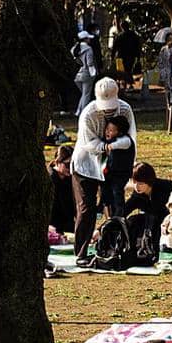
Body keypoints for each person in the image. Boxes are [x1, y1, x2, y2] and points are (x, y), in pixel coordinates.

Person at [70, 78, 137, 265]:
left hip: (113, 167)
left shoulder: (124, 109)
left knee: (114, 206)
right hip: (86, 165)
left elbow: (132, 138)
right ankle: (81, 253)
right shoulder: (88, 114)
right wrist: (108, 147)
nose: (108, 110)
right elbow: (88, 144)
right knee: (87, 208)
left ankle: (114, 248)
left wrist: (129, 164)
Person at [125, 162, 172, 239]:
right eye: (134, 182)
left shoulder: (165, 188)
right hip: (152, 220)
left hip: (169, 221)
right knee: (133, 221)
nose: (136, 186)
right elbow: (127, 207)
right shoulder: (138, 194)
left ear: (149, 181)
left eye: (140, 183)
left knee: (152, 221)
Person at [101, 114, 135, 217]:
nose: (107, 132)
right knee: (105, 192)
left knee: (117, 193)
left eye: (111, 130)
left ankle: (119, 215)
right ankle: (107, 212)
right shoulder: (107, 141)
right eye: (107, 129)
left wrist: (111, 146)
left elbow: (122, 143)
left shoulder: (126, 140)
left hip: (121, 174)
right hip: (110, 173)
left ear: (120, 132)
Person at [49, 145, 75, 235]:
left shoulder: (71, 179)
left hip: (68, 227)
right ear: (57, 162)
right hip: (52, 228)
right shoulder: (49, 179)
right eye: (67, 165)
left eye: (73, 164)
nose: (71, 168)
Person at [72, 30, 97, 116]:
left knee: (83, 94)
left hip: (76, 75)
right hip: (86, 74)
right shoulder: (88, 49)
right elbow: (90, 63)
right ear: (85, 39)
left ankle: (78, 111)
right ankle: (84, 112)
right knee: (86, 95)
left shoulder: (74, 49)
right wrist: (93, 73)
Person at [112, 21, 142, 89]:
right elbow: (138, 46)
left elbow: (114, 47)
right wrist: (138, 56)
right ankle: (129, 83)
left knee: (123, 70)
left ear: (122, 27)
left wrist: (112, 56)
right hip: (131, 55)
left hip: (121, 56)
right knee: (129, 69)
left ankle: (125, 84)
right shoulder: (134, 35)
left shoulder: (120, 36)